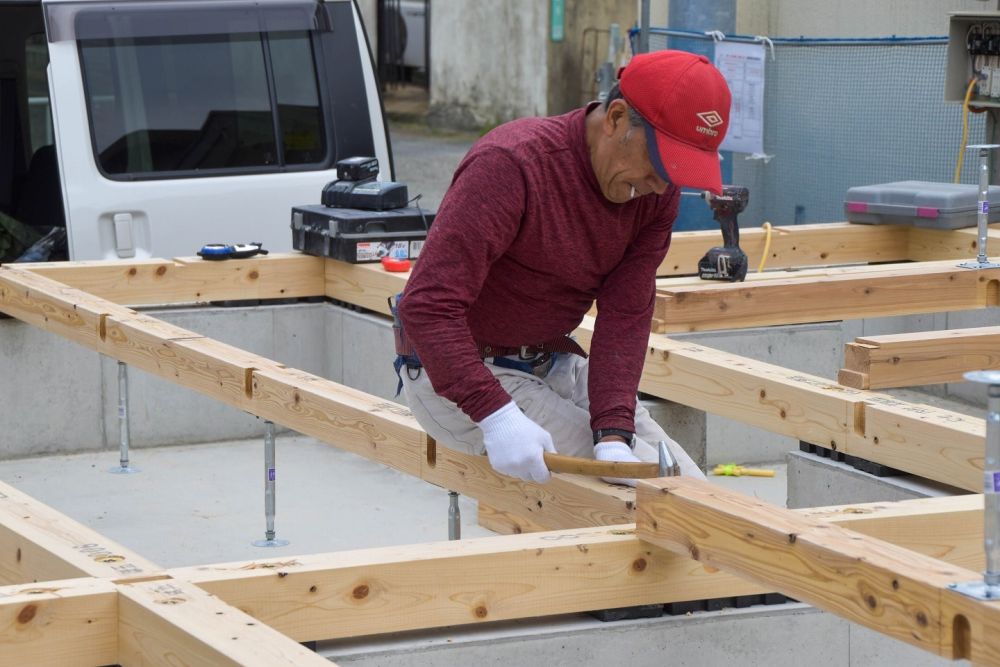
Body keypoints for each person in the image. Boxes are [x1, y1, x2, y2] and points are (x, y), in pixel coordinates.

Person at [394, 50, 731, 485]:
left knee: (690, 488)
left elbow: (626, 313)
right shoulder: (513, 165)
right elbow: (427, 307)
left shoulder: (652, 193)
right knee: (651, 499)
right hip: (459, 375)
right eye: (661, 163)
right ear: (616, 118)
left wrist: (613, 430)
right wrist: (496, 415)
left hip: (550, 363)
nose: (663, 185)